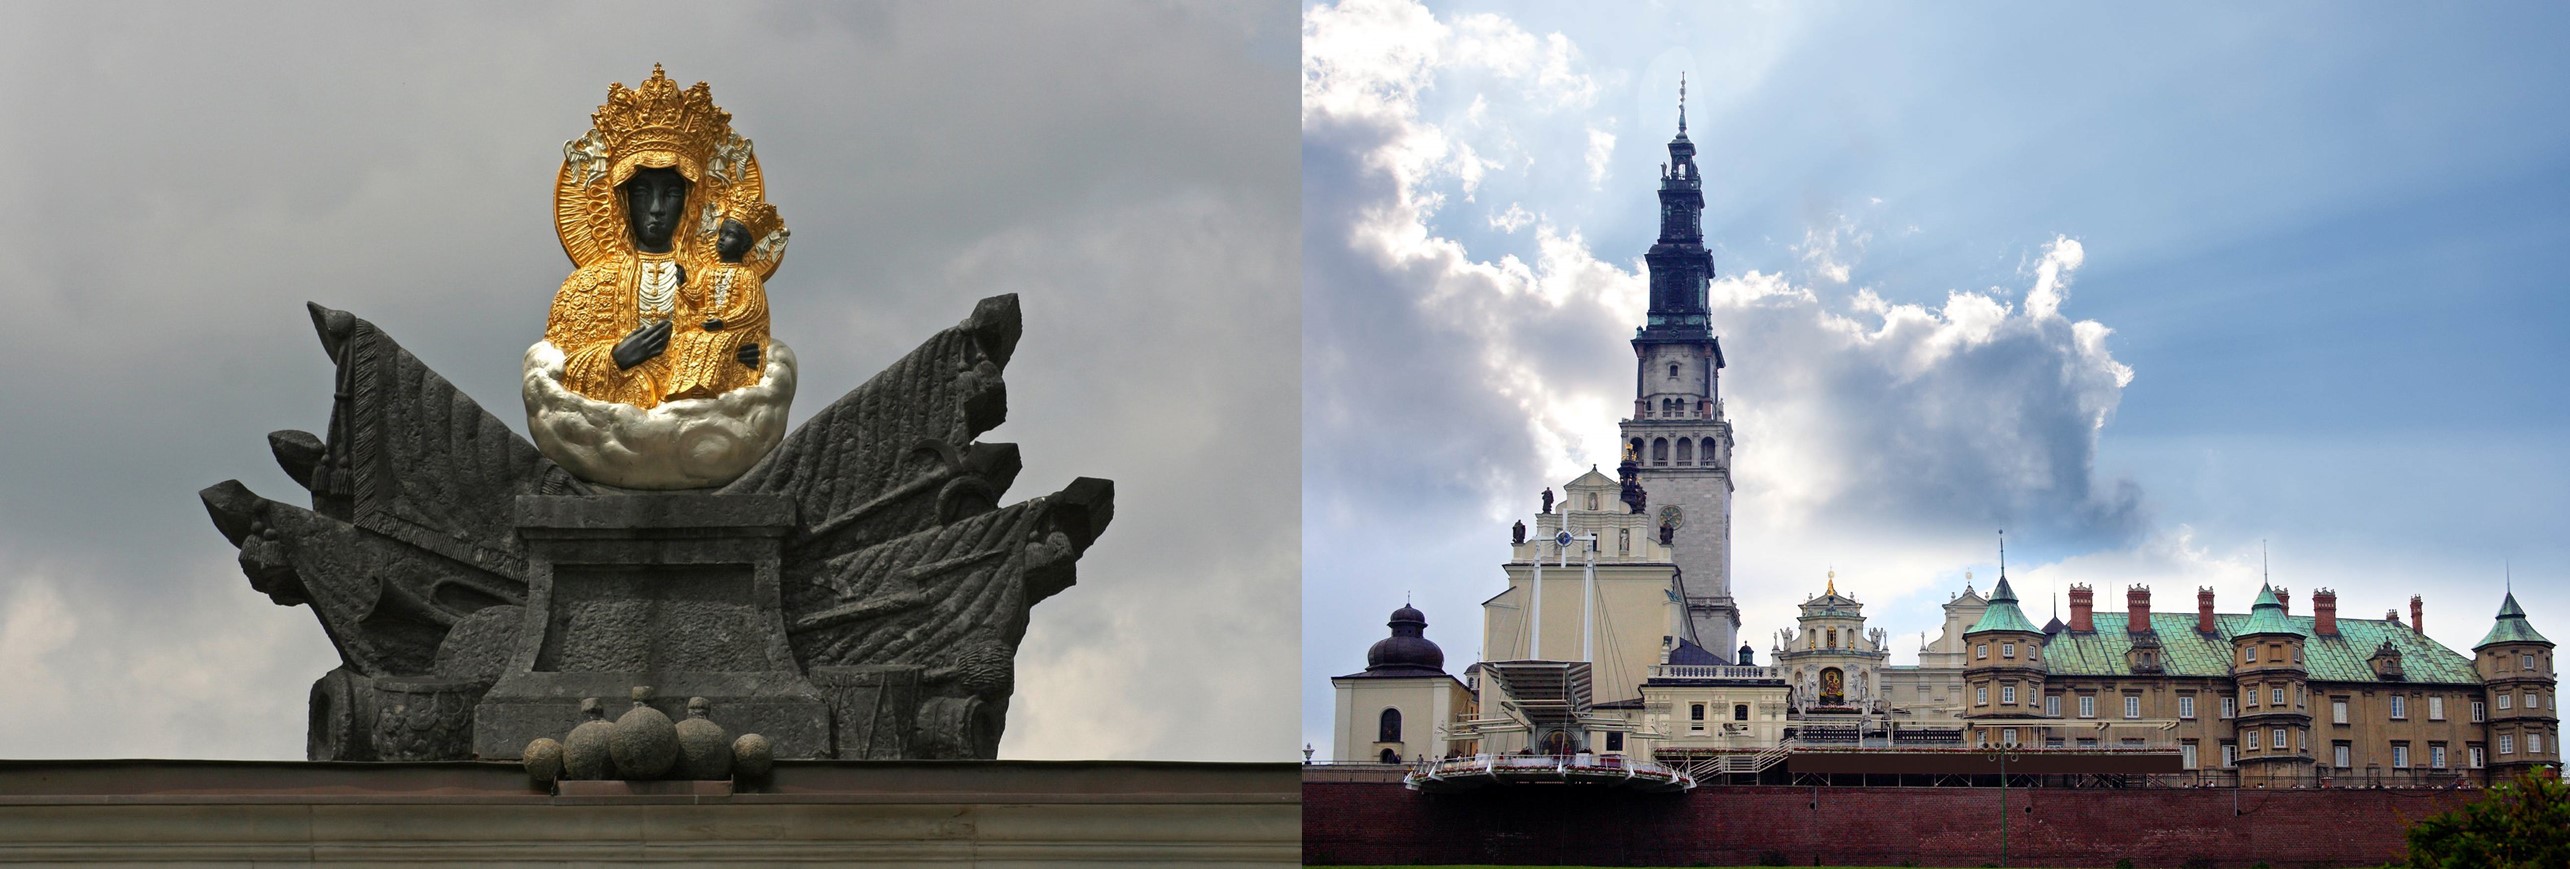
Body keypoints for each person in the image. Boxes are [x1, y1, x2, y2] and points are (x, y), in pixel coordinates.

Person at [664, 190, 777, 401]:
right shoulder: (707, 272)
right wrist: (684, 283)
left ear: (744, 245)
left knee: (717, 344)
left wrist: (724, 322)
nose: (722, 240)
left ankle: (710, 387)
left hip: (731, 329)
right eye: (722, 234)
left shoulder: (747, 276)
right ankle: (684, 388)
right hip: (707, 323)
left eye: (730, 236)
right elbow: (696, 296)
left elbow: (752, 308)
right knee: (689, 339)